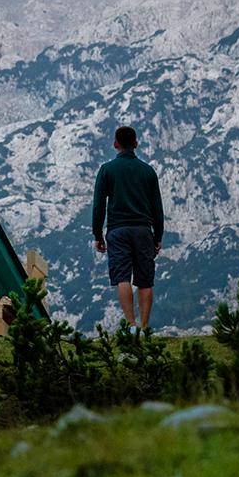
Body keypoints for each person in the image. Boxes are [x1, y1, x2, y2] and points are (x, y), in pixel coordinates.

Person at [91, 125, 165, 330]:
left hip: (117, 230)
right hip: (143, 230)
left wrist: (98, 234)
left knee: (123, 277)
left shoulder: (107, 170)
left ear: (115, 144)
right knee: (145, 280)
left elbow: (98, 205)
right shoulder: (147, 171)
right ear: (136, 144)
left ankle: (131, 325)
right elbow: (157, 208)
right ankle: (145, 326)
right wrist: (157, 237)